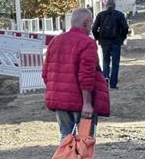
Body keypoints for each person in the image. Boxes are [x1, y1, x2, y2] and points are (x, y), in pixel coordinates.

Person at [43, 7, 111, 140]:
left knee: (66, 139)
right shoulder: (87, 43)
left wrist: (57, 93)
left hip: (60, 101)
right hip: (81, 102)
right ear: (86, 23)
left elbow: (46, 73)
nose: (91, 27)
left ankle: (66, 155)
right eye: (91, 23)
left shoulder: (55, 42)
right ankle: (80, 156)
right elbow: (86, 76)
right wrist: (87, 103)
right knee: (85, 141)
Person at [92, 0, 129, 89]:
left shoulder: (100, 15)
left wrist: (98, 38)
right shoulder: (119, 15)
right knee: (115, 63)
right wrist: (122, 38)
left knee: (105, 61)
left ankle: (105, 80)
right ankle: (113, 84)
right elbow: (125, 28)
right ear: (114, 6)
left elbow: (94, 29)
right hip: (116, 42)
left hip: (104, 42)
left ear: (106, 5)